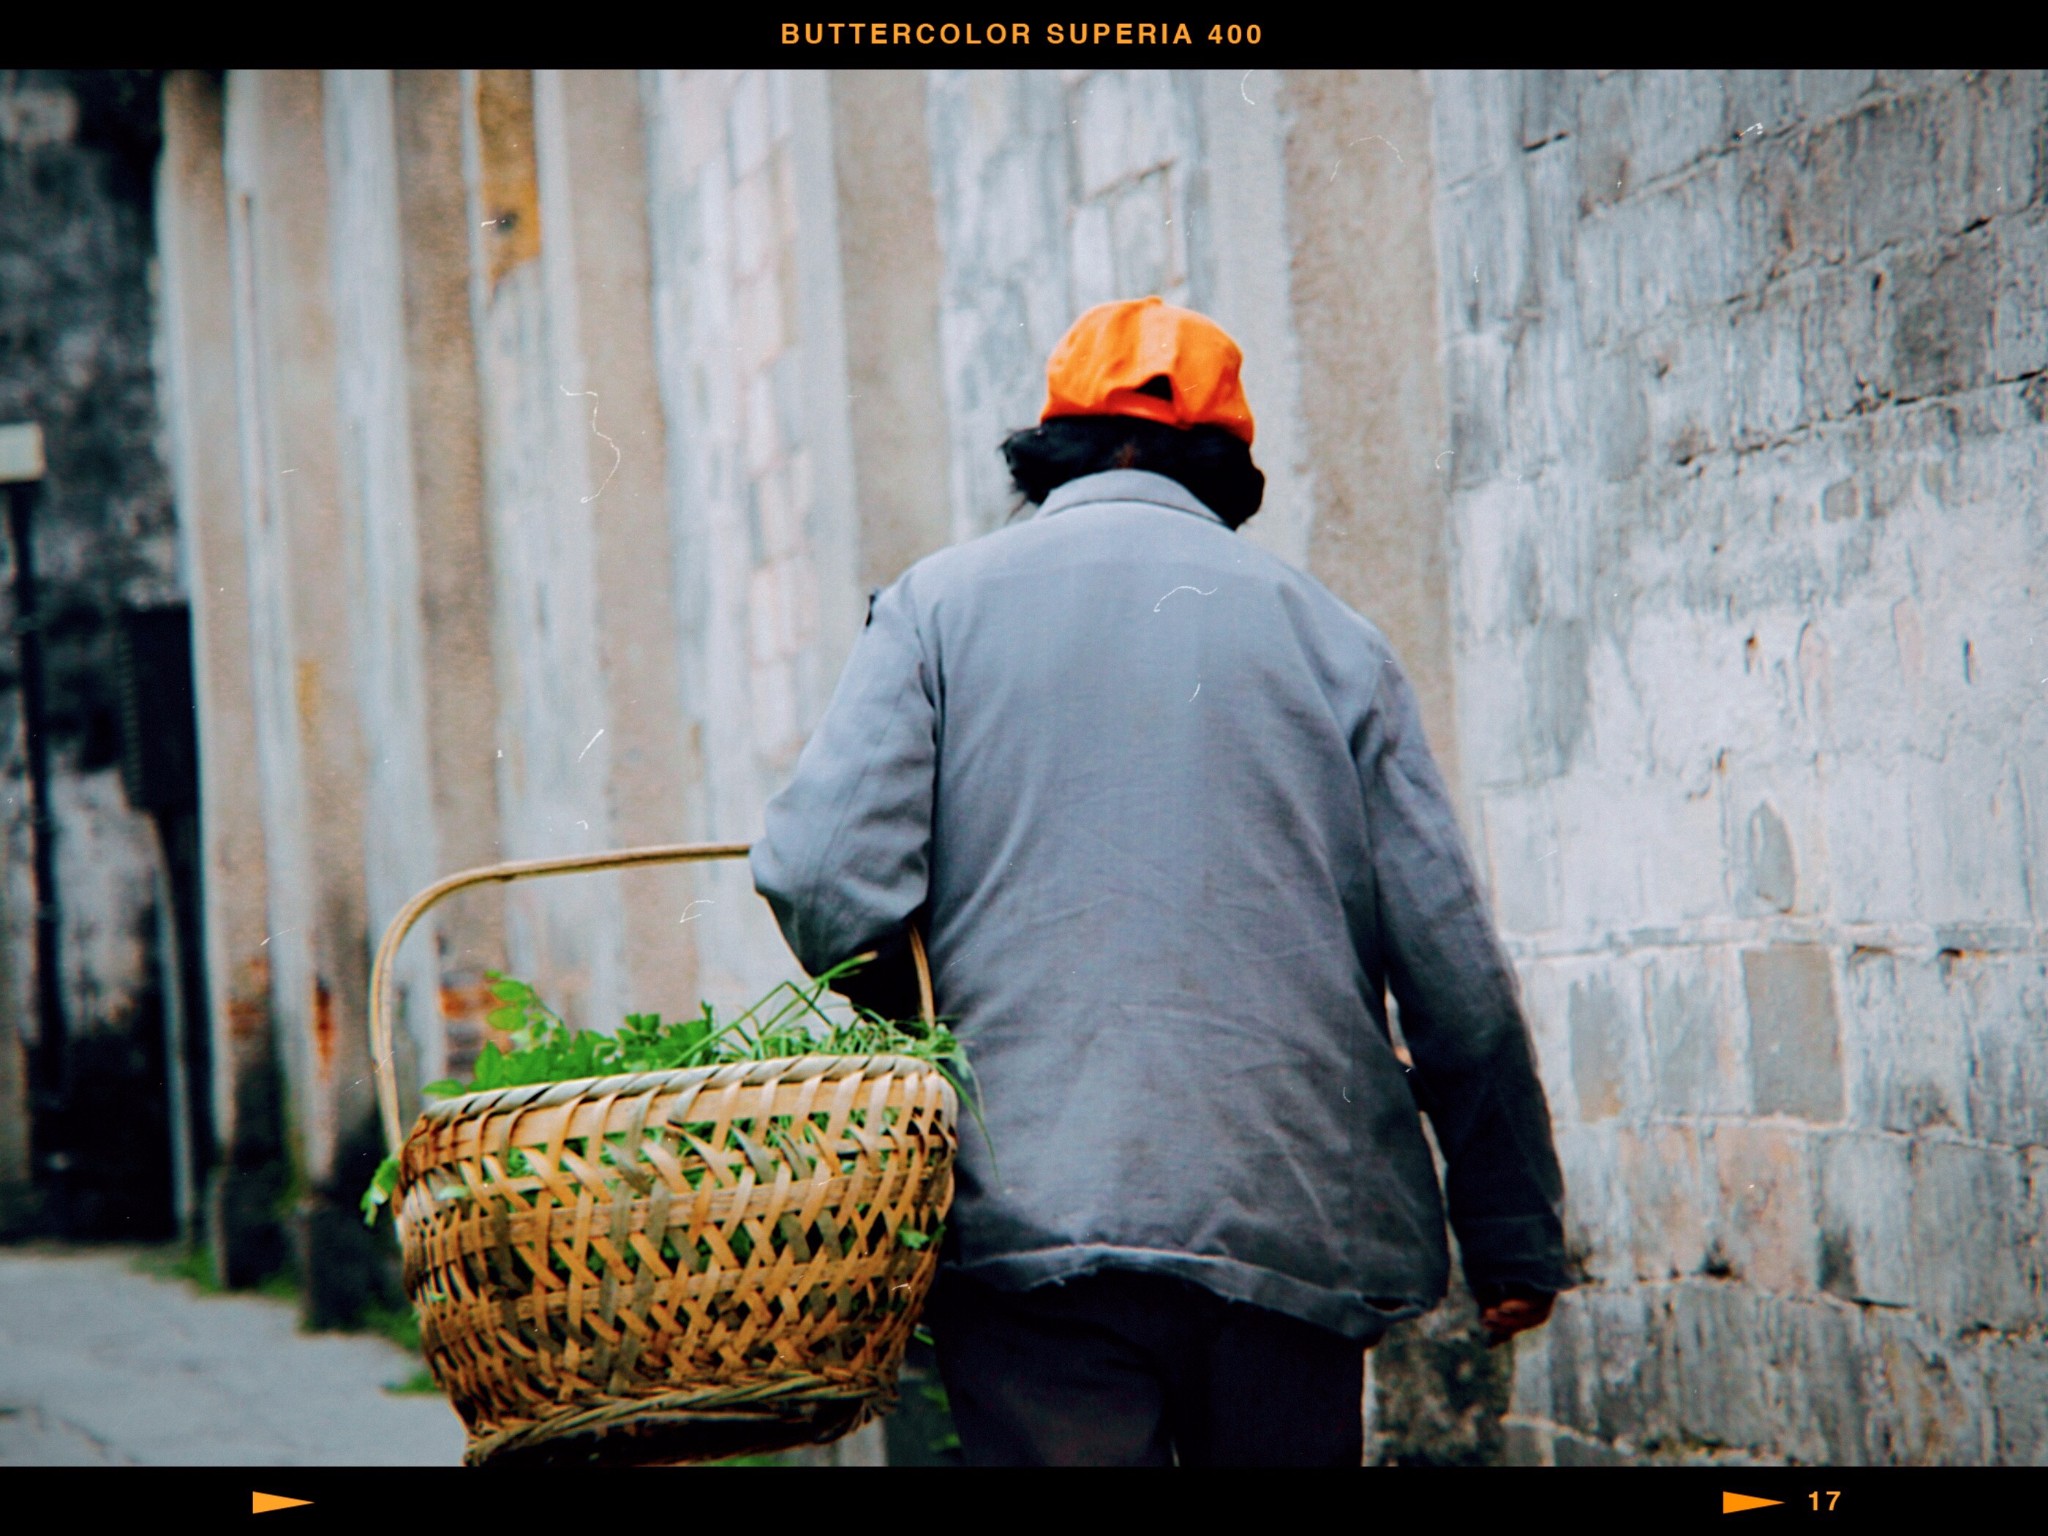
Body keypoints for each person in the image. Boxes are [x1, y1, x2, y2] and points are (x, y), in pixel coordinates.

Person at [751, 296, 1570, 1467]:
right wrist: (1508, 1233)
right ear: (1227, 467)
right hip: (1288, 1213)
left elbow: (823, 878)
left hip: (1028, 1215)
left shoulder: (935, 608)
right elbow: (1458, 985)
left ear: (1055, 447)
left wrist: (922, 1019)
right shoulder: (1337, 641)